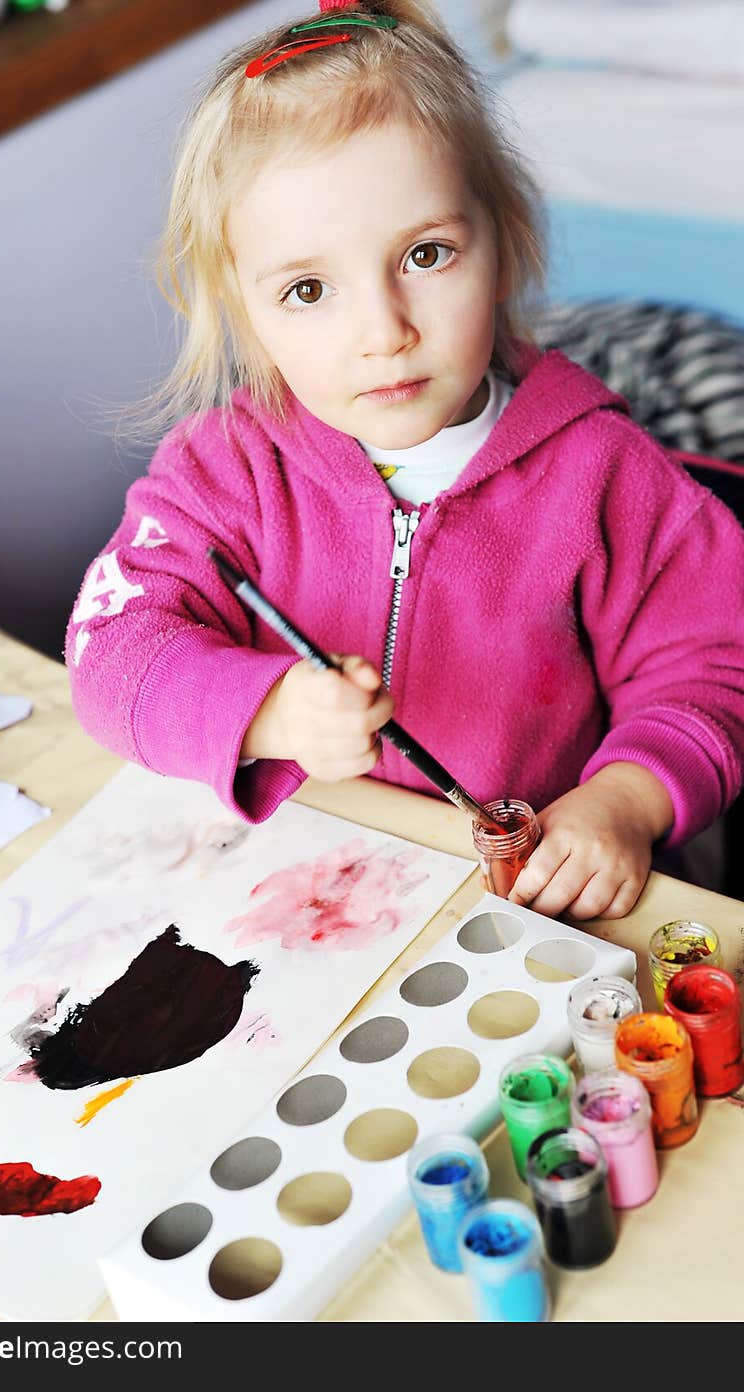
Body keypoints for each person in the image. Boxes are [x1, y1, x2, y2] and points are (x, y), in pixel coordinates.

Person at [66, 0, 744, 923]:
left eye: (426, 255)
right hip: (305, 890)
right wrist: (266, 711)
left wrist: (626, 800)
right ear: (242, 309)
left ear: (502, 248)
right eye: (308, 289)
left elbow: (712, 670)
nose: (383, 332)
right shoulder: (221, 469)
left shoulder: (604, 472)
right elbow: (112, 652)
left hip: (538, 897)